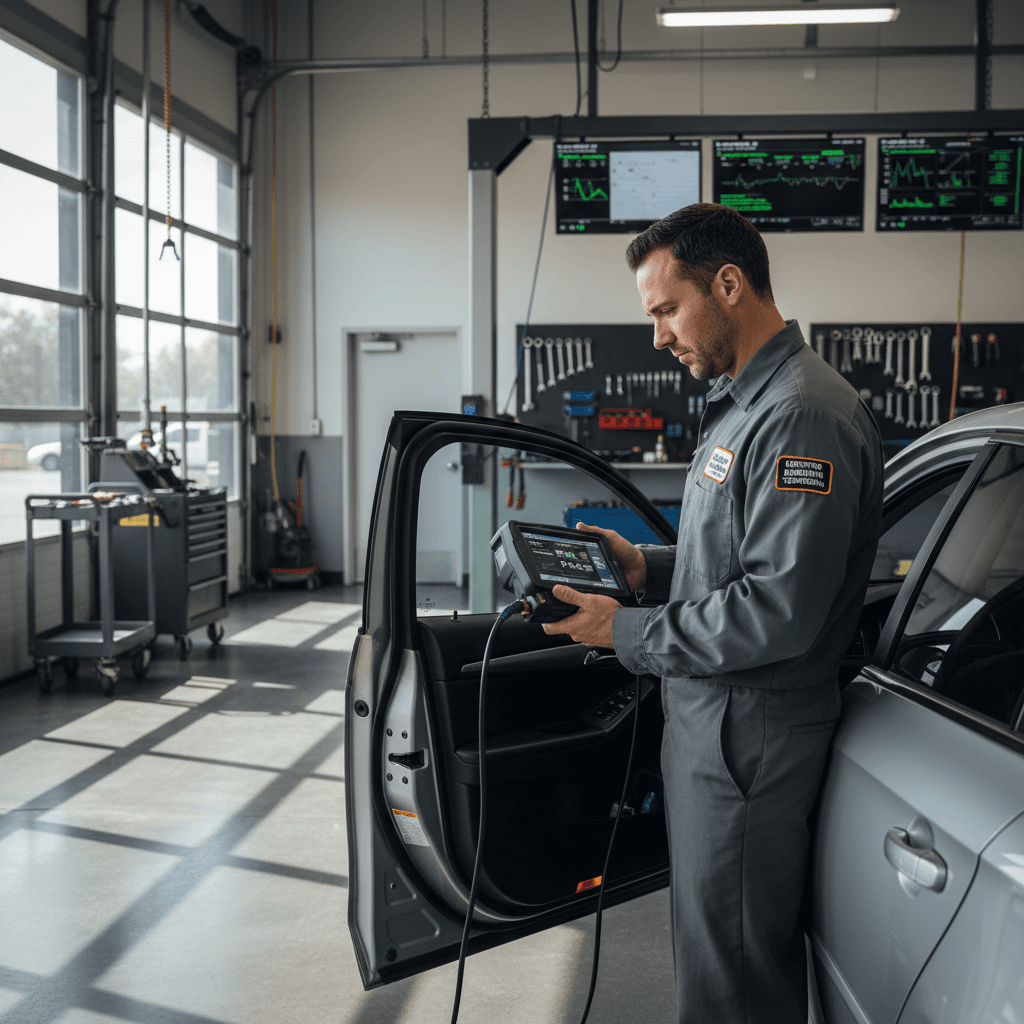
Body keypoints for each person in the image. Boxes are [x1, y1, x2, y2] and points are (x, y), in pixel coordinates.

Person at [542, 203, 884, 1023]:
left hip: (746, 738)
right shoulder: (748, 405)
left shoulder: (800, 414)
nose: (658, 335)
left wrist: (621, 629)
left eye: (666, 309)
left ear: (728, 284)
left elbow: (776, 613)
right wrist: (644, 567)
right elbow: (737, 560)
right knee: (714, 956)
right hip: (716, 724)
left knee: (731, 978)